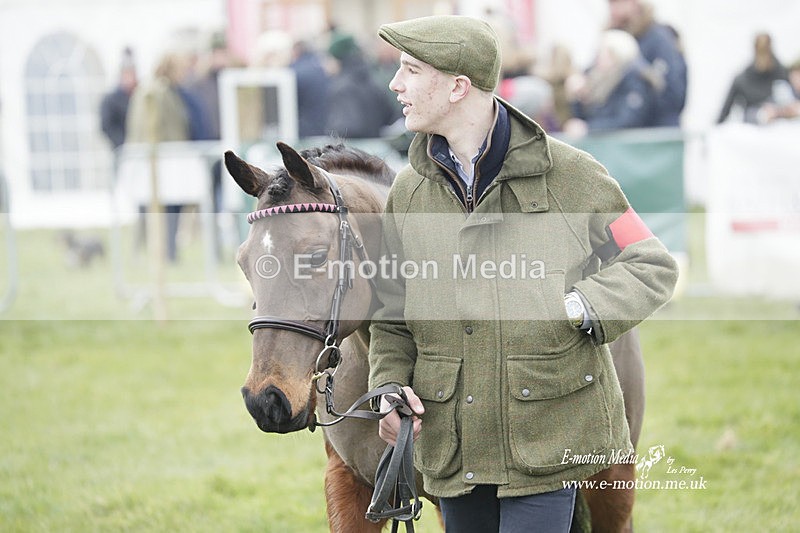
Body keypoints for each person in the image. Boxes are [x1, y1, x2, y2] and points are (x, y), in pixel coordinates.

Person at [368, 15, 679, 532]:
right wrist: (388, 386)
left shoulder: (575, 175)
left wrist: (580, 307)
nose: (395, 84)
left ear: (457, 87)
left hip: (549, 437)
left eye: (411, 70)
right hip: (452, 444)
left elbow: (651, 262)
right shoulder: (408, 192)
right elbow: (391, 312)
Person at [608, 0, 687, 127]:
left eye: (618, 3)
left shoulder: (660, 40)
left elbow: (674, 94)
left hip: (657, 133)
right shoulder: (612, 37)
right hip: (623, 134)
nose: (613, 10)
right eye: (610, 4)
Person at [563, 29, 657, 136]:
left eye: (602, 53)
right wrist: (578, 98)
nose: (597, 58)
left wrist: (588, 128)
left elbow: (628, 121)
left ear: (617, 55)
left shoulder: (634, 80)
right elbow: (587, 116)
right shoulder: (598, 79)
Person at [326, 33, 396, 139]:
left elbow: (347, 127)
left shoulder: (343, 87)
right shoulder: (372, 79)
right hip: (376, 148)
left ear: (338, 60)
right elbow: (389, 116)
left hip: (353, 152)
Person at [717, 33, 790, 124]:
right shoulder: (743, 78)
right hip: (754, 120)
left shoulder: (782, 73)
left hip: (780, 119)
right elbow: (725, 110)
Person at [100, 48, 138, 166]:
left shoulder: (138, 95)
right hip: (122, 152)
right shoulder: (111, 99)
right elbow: (106, 126)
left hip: (139, 150)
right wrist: (123, 144)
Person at [289, 39, 330, 139]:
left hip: (304, 130)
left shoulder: (293, 72)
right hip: (325, 126)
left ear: (295, 52)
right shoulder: (323, 68)